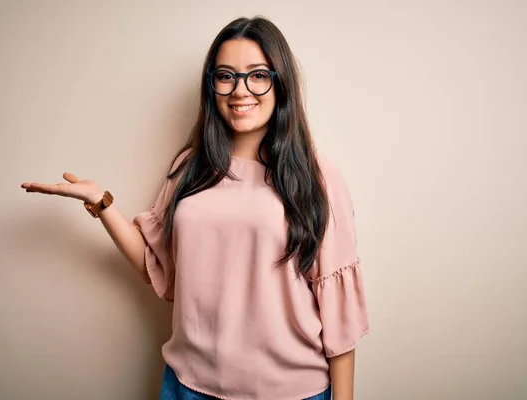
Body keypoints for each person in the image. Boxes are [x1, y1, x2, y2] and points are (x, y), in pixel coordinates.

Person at [21, 16, 369, 400]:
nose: (241, 90)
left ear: (280, 82)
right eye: (226, 76)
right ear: (212, 85)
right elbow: (163, 271)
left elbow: (340, 316)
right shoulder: (190, 167)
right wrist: (102, 205)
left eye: (257, 75)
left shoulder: (318, 176)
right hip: (187, 386)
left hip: (290, 393)